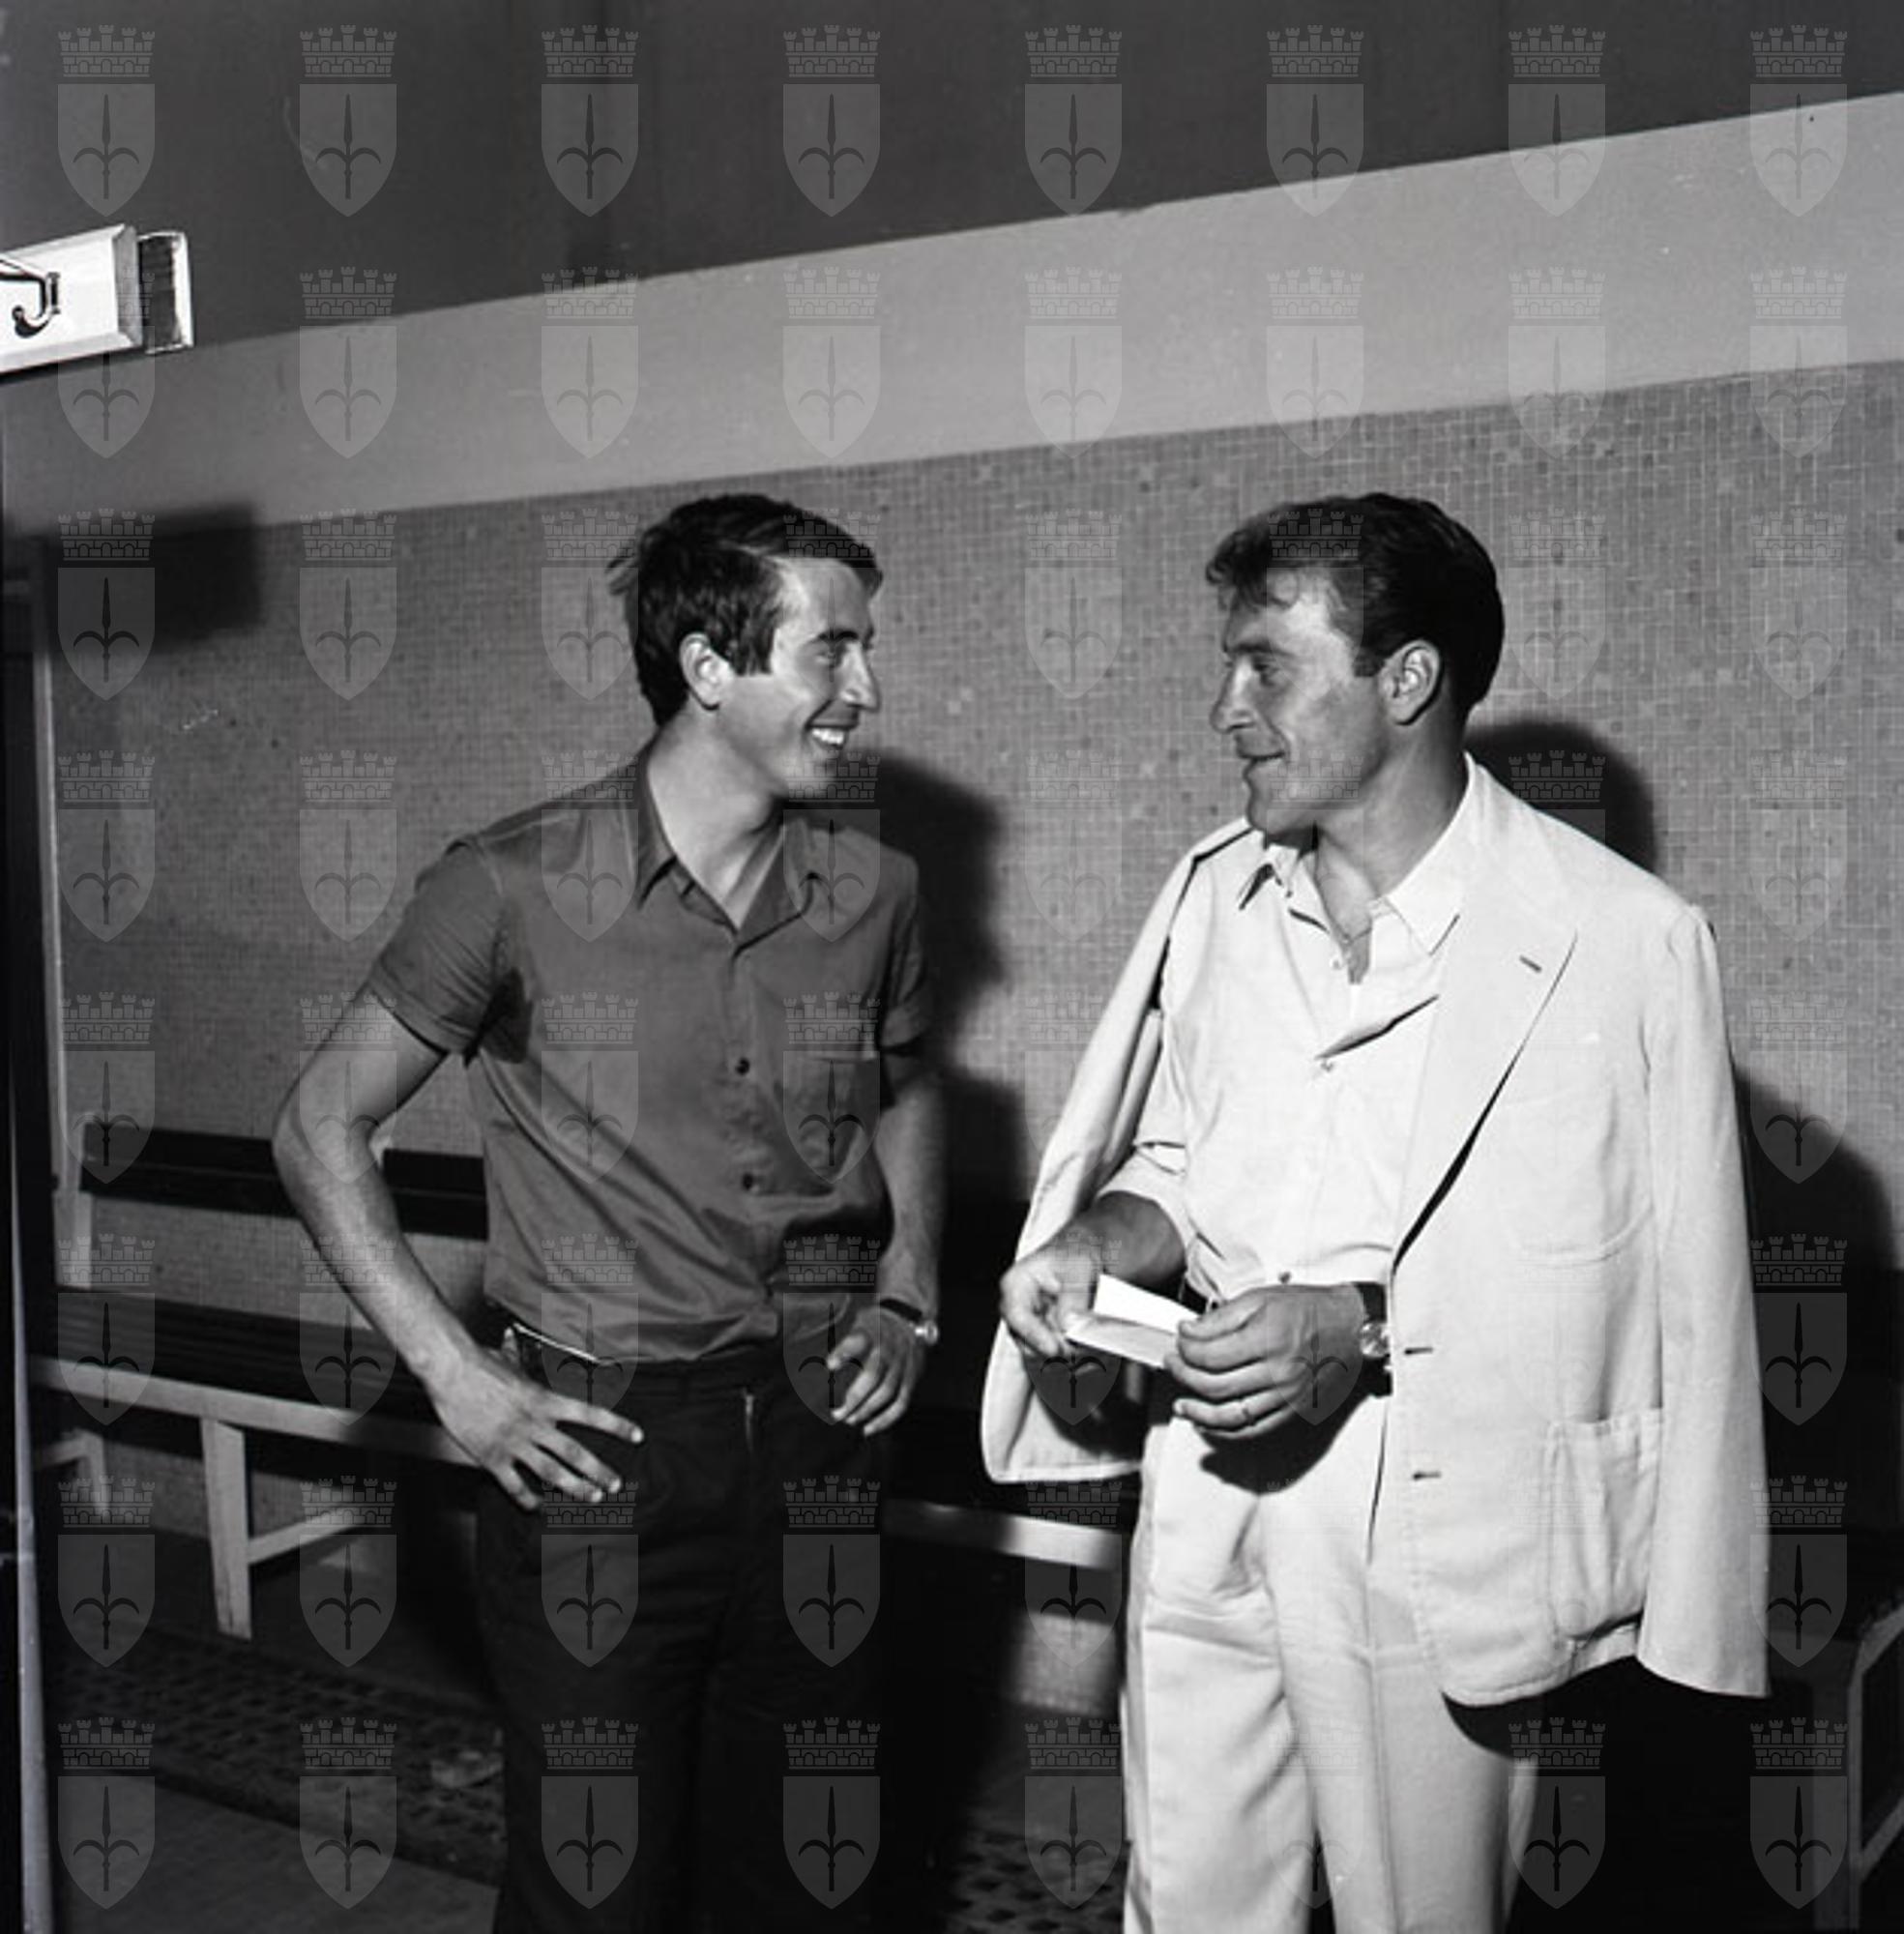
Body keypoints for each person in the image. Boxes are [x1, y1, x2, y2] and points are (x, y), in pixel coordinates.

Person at [983, 493, 1766, 1933]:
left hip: (1442, 1513)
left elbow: (1678, 1301)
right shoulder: (1216, 898)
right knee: (1185, 1903)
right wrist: (1095, 1243)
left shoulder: (1620, 940)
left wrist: (1353, 1327)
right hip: (1204, 1477)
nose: (1225, 708)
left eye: (1266, 667)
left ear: (1407, 680)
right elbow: (1182, 1159)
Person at [273, 494, 942, 1932]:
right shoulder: (506, 886)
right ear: (709, 667)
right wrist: (457, 1379)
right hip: (605, 1459)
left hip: (821, 1432)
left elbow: (908, 1087)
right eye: (832, 651)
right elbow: (319, 1124)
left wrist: (911, 1288)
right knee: (599, 1892)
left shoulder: (877, 890)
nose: (867, 689)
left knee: (806, 1876)